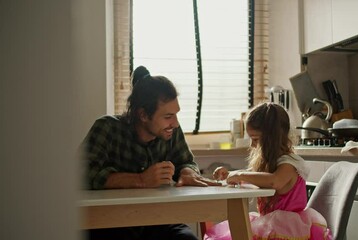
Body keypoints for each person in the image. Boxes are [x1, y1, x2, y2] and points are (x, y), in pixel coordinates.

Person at [81, 66, 220, 240]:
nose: (175, 123)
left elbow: (186, 162)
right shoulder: (107, 128)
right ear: (143, 115)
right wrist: (140, 180)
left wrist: (187, 172)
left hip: (158, 220)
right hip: (110, 224)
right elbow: (80, 174)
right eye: (168, 116)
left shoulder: (171, 132)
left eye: (176, 115)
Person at [204, 102, 332, 240]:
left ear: (272, 137)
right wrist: (229, 174)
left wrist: (239, 174)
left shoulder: (290, 163)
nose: (253, 145)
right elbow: (257, 177)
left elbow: (274, 182)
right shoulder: (272, 164)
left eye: (255, 139)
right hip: (270, 224)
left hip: (289, 229)